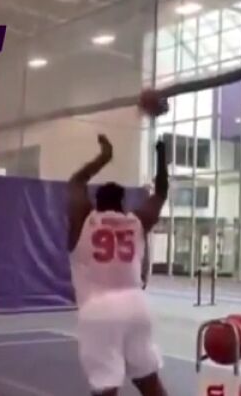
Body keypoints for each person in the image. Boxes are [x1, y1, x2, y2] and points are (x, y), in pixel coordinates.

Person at [67, 134, 169, 396]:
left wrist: (104, 157)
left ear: (95, 202)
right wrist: (161, 154)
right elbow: (160, 192)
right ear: (123, 204)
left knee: (106, 386)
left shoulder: (84, 220)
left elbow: (77, 182)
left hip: (99, 310)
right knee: (149, 380)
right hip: (137, 307)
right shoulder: (137, 221)